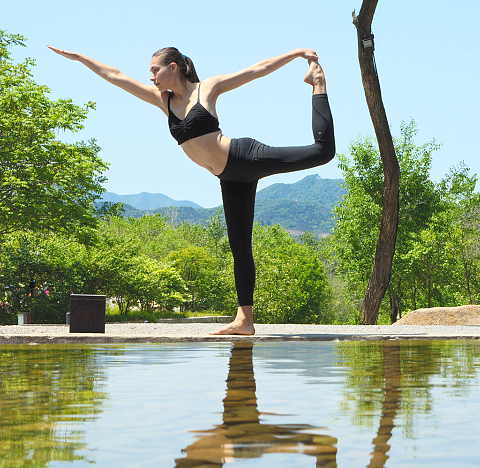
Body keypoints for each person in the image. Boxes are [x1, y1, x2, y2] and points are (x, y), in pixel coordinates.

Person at [48, 43, 335, 335]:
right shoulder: (163, 101)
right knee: (240, 248)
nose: (151, 77)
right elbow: (117, 76)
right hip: (230, 178)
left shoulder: (207, 89)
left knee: (323, 152)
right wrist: (81, 58)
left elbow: (256, 70)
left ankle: (317, 82)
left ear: (173, 67)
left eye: (154, 70)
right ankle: (244, 320)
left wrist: (295, 54)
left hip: (245, 157)